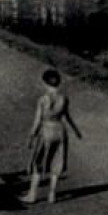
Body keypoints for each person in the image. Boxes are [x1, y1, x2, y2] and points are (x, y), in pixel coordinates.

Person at [22, 68, 82, 204]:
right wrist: (76, 130)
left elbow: (37, 121)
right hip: (60, 130)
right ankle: (52, 194)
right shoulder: (64, 98)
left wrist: (31, 136)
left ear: (45, 83)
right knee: (57, 162)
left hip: (47, 130)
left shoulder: (43, 100)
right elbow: (67, 116)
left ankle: (32, 194)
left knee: (38, 162)